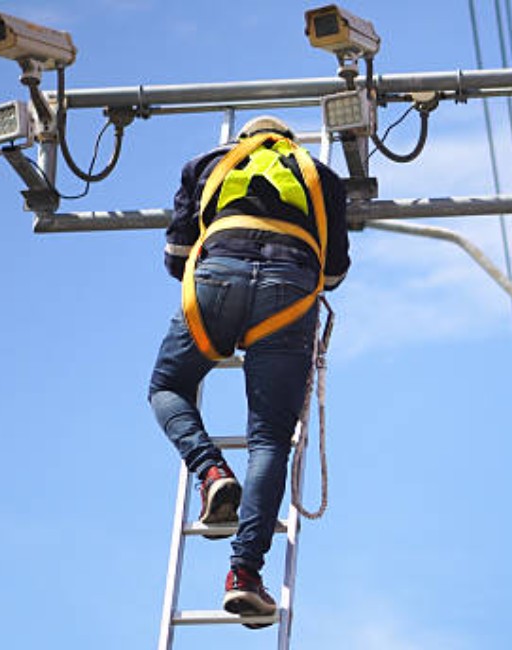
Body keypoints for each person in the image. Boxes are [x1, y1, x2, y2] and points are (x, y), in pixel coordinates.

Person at [148, 115, 350, 625]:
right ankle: (243, 575)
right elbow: (335, 272)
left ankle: (211, 471)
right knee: (269, 440)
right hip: (290, 287)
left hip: (218, 274)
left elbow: (176, 257)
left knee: (169, 385)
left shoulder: (207, 165)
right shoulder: (318, 175)